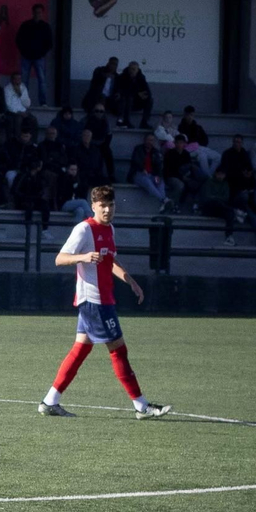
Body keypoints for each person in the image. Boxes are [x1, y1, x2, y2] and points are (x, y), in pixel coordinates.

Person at [39, 185, 170, 420]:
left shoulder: (110, 229)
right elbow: (59, 259)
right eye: (103, 206)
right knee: (119, 351)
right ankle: (142, 406)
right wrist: (83, 257)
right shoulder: (84, 229)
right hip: (94, 301)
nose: (107, 210)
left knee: (80, 350)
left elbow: (110, 261)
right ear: (93, 207)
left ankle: (50, 401)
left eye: (111, 205)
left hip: (103, 299)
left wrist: (131, 281)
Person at [14, 4, 52, 106]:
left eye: (39, 12)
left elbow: (49, 43)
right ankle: (23, 102)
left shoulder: (45, 27)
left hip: (39, 57)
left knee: (42, 81)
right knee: (24, 81)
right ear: (32, 13)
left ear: (42, 13)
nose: (37, 14)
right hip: (26, 57)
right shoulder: (25, 25)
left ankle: (43, 102)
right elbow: (18, 39)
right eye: (36, 12)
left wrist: (41, 53)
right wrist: (24, 51)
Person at [128, 133, 167, 207]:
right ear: (144, 140)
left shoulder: (156, 152)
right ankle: (163, 200)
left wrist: (158, 175)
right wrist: (142, 169)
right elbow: (135, 161)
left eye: (152, 140)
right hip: (138, 174)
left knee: (160, 182)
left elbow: (158, 165)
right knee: (147, 181)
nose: (150, 142)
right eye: (148, 140)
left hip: (151, 175)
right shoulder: (138, 149)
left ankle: (163, 202)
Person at [113, 61, 152, 130]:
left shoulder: (141, 77)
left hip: (136, 102)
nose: (132, 71)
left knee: (149, 100)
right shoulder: (122, 77)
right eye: (130, 69)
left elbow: (147, 91)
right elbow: (121, 91)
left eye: (134, 69)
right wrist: (137, 93)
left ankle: (144, 122)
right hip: (124, 102)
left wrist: (144, 95)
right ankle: (125, 121)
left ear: (137, 70)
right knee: (128, 97)